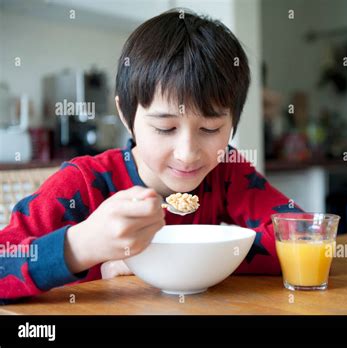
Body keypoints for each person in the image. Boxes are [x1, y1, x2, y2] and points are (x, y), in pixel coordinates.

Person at [0, 9, 302, 303]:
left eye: (210, 129)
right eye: (165, 127)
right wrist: (80, 246)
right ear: (126, 115)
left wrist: (191, 257)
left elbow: (302, 236)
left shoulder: (225, 171)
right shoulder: (85, 183)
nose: (187, 154)